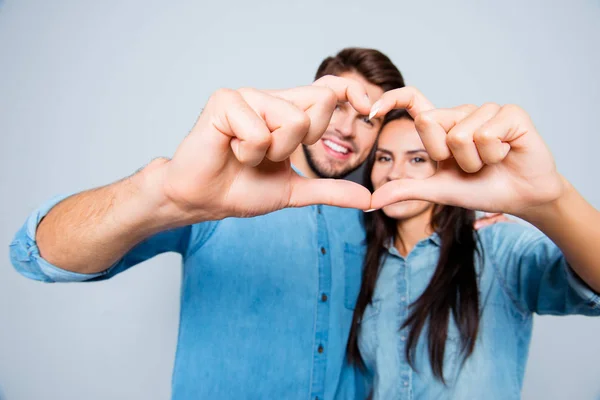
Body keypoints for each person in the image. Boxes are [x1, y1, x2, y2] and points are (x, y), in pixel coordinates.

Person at [9, 48, 404, 399]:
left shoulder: (376, 222)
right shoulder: (217, 190)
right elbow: (36, 254)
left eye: (368, 120)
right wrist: (164, 194)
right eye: (337, 107)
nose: (347, 129)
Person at [346, 92, 600, 399]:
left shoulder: (496, 247)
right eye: (384, 158)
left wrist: (552, 200)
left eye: (417, 159)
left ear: (444, 166)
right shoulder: (364, 260)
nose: (394, 173)